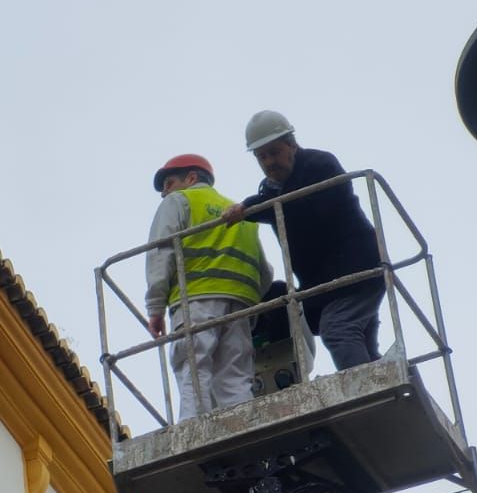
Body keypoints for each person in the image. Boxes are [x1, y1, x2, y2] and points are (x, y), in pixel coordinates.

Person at [222, 112, 385, 370]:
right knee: (279, 304)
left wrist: (250, 206)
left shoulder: (318, 165)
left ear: (292, 145)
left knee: (338, 328)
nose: (269, 162)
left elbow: (303, 209)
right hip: (325, 283)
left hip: (356, 271)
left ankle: (365, 388)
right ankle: (280, 370)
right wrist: (251, 206)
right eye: (261, 157)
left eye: (274, 152)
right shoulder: (272, 189)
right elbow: (282, 204)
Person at [144, 154, 272, 419]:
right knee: (235, 377)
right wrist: (250, 301)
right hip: (240, 305)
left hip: (196, 301)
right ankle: (242, 428)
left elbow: (161, 253)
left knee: (193, 367)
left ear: (191, 178)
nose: (164, 193)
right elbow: (265, 273)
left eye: (168, 183)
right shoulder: (241, 212)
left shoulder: (179, 201)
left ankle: (194, 433)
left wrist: (155, 307)